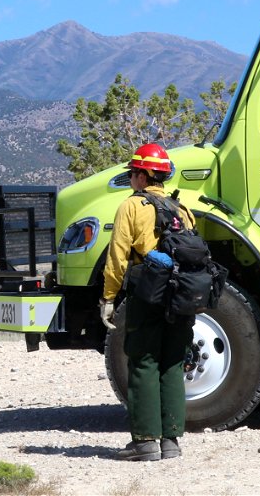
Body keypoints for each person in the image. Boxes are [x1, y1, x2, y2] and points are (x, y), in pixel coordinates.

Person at [99, 142, 195, 462]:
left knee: (143, 362)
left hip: (147, 293)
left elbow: (117, 257)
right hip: (181, 296)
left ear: (142, 176)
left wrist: (109, 297)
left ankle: (144, 442)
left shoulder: (131, 207)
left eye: (132, 174)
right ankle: (171, 442)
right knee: (172, 363)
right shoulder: (182, 209)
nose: (131, 180)